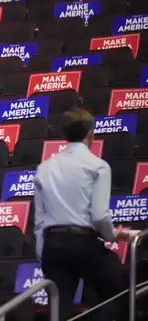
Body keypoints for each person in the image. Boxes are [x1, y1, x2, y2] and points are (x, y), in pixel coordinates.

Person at [34, 108, 130, 321]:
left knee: (57, 313)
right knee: (120, 292)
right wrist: (112, 236)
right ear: (90, 135)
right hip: (83, 244)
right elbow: (99, 216)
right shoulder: (98, 166)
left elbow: (39, 220)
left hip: (53, 245)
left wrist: (44, 254)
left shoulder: (44, 168)